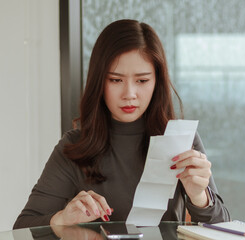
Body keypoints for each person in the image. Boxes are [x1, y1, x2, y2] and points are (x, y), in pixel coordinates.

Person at [13, 19, 230, 229]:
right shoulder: (74, 147)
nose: (129, 94)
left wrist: (199, 196)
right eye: (116, 80)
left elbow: (224, 227)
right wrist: (62, 218)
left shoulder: (180, 141)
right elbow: (23, 227)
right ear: (99, 81)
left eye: (142, 81)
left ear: (157, 82)